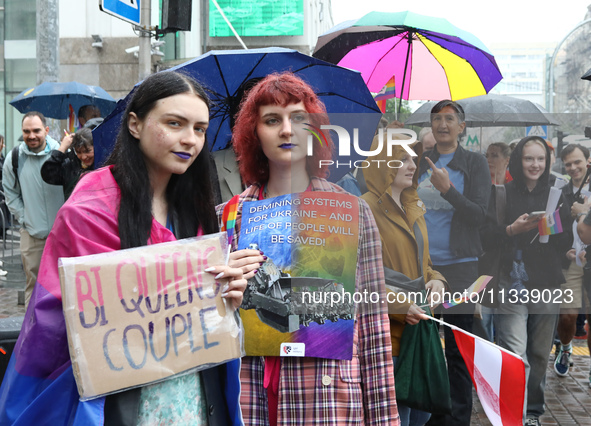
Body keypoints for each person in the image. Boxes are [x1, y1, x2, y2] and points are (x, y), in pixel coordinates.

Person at [0, 71, 264, 425]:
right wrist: (194, 282)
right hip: (119, 400)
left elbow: (198, 310)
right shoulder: (89, 208)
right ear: (135, 125)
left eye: (199, 129)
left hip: (192, 394)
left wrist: (226, 287)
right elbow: (62, 316)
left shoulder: (195, 208)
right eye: (174, 123)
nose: (189, 140)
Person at [219, 72, 399, 425]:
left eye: (299, 118)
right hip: (253, 395)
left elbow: (375, 326)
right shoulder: (228, 218)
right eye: (272, 120)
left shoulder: (352, 211)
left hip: (328, 399)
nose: (287, 130)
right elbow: (207, 326)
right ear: (254, 133)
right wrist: (225, 295)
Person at [481, 136, 570, 426]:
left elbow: (567, 240)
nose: (535, 164)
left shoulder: (558, 193)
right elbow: (487, 237)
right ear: (518, 160)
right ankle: (514, 415)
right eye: (529, 158)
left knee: (540, 353)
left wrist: (551, 227)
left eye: (541, 159)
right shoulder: (502, 193)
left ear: (548, 162)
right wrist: (511, 229)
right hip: (511, 280)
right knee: (516, 352)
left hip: (547, 283)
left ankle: (533, 411)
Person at [362, 137, 446, 426]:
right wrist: (400, 305)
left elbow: (425, 263)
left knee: (419, 417)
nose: (413, 166)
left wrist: (437, 281)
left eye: (413, 159)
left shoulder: (413, 203)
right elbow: (355, 278)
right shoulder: (363, 209)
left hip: (420, 330)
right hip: (388, 337)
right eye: (403, 159)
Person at [417, 100, 491, 426]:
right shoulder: (420, 162)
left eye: (449, 119)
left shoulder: (475, 163)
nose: (442, 124)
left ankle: (459, 417)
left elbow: (479, 216)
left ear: (462, 127)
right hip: (425, 268)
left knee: (458, 348)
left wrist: (448, 191)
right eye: (437, 119)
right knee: (426, 345)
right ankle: (431, 412)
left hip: (461, 267)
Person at [2, 112, 65, 308]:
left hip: (62, 235)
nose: (32, 136)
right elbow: (10, 194)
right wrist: (25, 219)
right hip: (32, 235)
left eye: (36, 130)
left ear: (46, 130)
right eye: (27, 131)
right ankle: (32, 332)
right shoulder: (14, 158)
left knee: (65, 284)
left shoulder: (61, 153)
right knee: (34, 285)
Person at [557, 144, 591, 384]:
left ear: (587, 161)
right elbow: (554, 229)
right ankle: (566, 347)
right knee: (567, 316)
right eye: (568, 164)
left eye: (577, 162)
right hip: (571, 264)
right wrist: (564, 251)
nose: (573, 167)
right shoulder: (561, 192)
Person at [41, 127, 95, 199]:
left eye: (87, 151)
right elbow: (48, 175)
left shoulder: (104, 165)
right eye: (78, 152)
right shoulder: (71, 165)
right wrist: (62, 149)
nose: (84, 157)